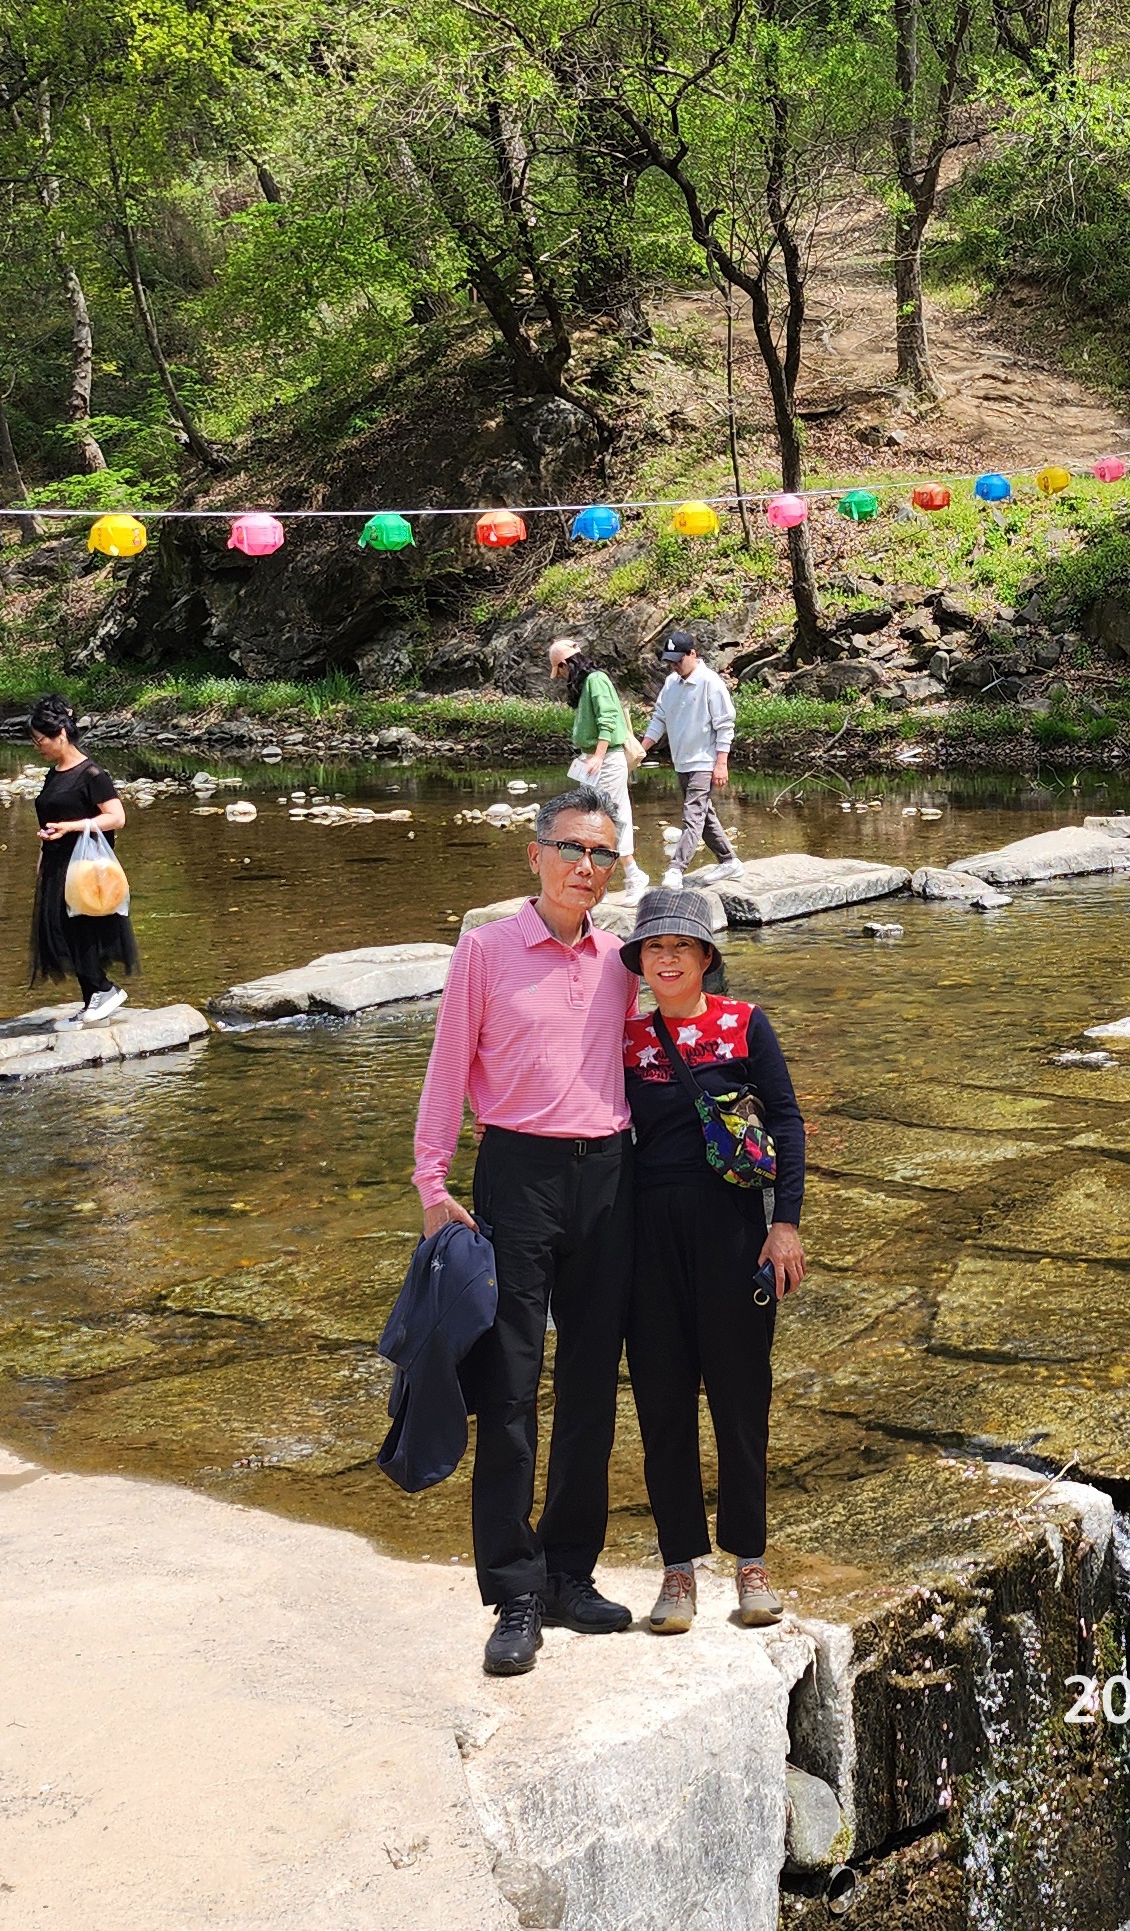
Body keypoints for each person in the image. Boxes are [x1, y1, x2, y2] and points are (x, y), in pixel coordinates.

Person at [415, 786, 643, 1675]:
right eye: (572, 848)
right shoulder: (485, 950)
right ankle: (513, 1589)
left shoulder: (621, 960)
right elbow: (447, 1066)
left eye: (602, 853)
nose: (586, 866)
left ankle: (568, 1572)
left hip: (609, 1177)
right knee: (508, 1385)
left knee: (590, 1382)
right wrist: (431, 1180)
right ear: (536, 853)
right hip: (517, 1176)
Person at [615, 889, 806, 1635]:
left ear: (705, 958)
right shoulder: (625, 1034)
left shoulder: (744, 1023)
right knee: (662, 1401)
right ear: (639, 961)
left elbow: (786, 1121)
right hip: (646, 1237)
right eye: (654, 948)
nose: (667, 959)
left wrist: (784, 1225)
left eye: (681, 947)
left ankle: (750, 1562)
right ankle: (678, 1568)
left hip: (734, 1231)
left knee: (740, 1397)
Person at [27, 696, 135, 1028]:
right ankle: (93, 1002)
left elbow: (116, 817)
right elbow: (52, 819)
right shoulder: (53, 774)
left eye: (40, 740)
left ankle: (104, 989)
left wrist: (73, 827)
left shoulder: (91, 774)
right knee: (61, 931)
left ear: (60, 733)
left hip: (84, 866)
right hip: (56, 863)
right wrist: (43, 855)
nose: (37, 747)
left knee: (80, 930)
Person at [640, 634, 743, 887]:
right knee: (704, 816)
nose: (675, 666)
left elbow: (725, 724)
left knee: (693, 814)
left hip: (704, 761)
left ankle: (676, 868)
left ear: (693, 654)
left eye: (679, 660)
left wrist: (721, 763)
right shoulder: (671, 683)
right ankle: (730, 861)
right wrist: (641, 749)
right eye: (671, 662)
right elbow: (659, 719)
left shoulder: (710, 682)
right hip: (682, 761)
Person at [551, 639, 650, 893]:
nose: (561, 677)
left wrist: (598, 755)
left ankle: (630, 875)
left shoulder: (596, 680)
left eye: (560, 671)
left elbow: (608, 718)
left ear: (565, 664)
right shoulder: (587, 683)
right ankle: (615, 878)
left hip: (605, 760)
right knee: (603, 816)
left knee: (605, 817)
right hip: (593, 759)